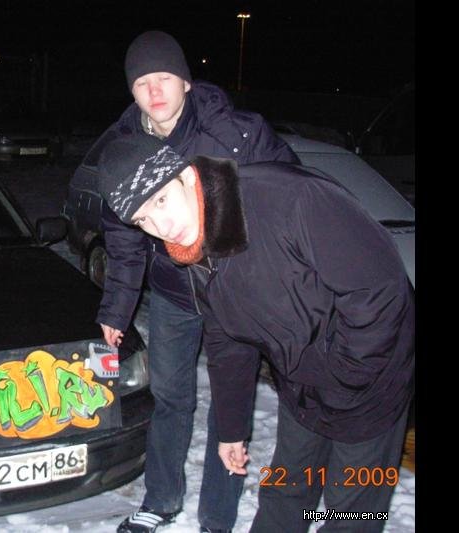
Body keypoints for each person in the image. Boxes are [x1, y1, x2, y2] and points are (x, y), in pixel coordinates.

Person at [96, 134, 414, 533]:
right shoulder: (195, 247)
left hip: (371, 383)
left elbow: (380, 291)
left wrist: (346, 377)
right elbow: (227, 340)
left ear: (187, 177)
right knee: (285, 493)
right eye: (143, 219)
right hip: (303, 385)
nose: (162, 227)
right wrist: (231, 430)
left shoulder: (291, 199)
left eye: (160, 201)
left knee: (350, 510)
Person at [70, 30, 299, 533]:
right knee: (171, 397)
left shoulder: (235, 133)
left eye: (164, 78)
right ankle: (161, 498)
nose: (154, 91)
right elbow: (122, 238)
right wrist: (117, 308)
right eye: (142, 82)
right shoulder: (123, 148)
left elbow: (291, 193)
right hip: (174, 294)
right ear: (131, 91)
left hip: (233, 293)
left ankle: (217, 515)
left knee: (229, 404)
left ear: (186, 82)